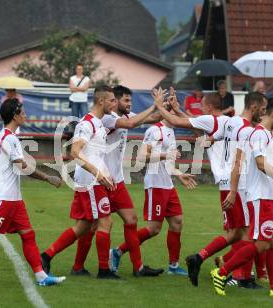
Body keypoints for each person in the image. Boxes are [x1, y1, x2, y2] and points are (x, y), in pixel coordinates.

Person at [0, 98, 65, 288]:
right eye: (22, 112)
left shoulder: (9, 136)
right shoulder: (9, 138)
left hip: (14, 199)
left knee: (28, 235)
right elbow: (23, 167)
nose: (25, 115)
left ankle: (41, 277)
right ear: (15, 115)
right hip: (4, 198)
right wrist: (48, 177)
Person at [210, 99, 273, 297]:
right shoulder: (258, 135)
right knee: (261, 244)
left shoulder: (270, 136)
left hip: (268, 197)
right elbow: (261, 164)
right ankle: (222, 272)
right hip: (259, 197)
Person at [72, 85, 163, 277]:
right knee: (91, 225)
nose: (129, 104)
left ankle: (137, 267)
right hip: (101, 179)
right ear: (114, 101)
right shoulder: (107, 118)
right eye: (125, 101)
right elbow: (131, 124)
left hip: (116, 179)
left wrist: (166, 108)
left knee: (130, 220)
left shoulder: (122, 115)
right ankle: (79, 265)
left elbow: (151, 118)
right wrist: (154, 105)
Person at [185, 92, 268, 289]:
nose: (263, 113)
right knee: (248, 233)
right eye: (263, 109)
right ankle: (241, 277)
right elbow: (238, 161)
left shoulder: (230, 123)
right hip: (237, 185)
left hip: (228, 183)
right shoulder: (242, 127)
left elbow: (202, 134)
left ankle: (199, 257)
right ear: (254, 106)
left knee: (236, 233)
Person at [110, 88, 197, 276]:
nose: (177, 111)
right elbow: (142, 157)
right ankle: (117, 251)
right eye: (173, 107)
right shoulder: (155, 130)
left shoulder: (170, 132)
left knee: (177, 222)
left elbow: (168, 163)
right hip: (156, 184)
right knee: (153, 229)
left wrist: (179, 174)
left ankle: (173, 266)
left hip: (168, 184)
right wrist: (166, 154)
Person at [41, 85, 120, 279]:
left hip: (94, 180)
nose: (115, 103)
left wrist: (106, 173)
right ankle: (103, 270)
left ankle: (46, 255)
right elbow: (74, 153)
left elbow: (95, 155)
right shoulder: (87, 124)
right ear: (101, 101)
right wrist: (97, 174)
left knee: (85, 226)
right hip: (91, 182)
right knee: (105, 222)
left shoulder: (99, 123)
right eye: (111, 100)